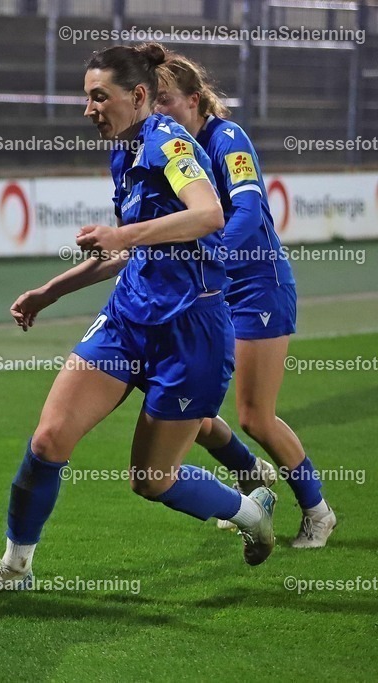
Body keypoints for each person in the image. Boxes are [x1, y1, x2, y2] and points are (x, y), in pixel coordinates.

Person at [0, 43, 276, 596]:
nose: (89, 109)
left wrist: (122, 234)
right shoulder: (123, 151)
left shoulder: (169, 142)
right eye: (87, 98)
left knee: (151, 482)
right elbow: (132, 252)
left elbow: (209, 214)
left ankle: (249, 514)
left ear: (139, 96)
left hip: (190, 334)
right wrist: (52, 290)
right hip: (128, 319)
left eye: (99, 97)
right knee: (49, 440)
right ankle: (15, 568)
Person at [155, 52, 336, 548]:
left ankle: (318, 511)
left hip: (256, 287)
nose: (159, 111)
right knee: (188, 412)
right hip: (208, 292)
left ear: (194, 100)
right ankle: (251, 475)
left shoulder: (227, 139)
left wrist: (211, 254)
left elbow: (251, 209)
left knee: (255, 415)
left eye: (167, 100)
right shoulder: (174, 151)